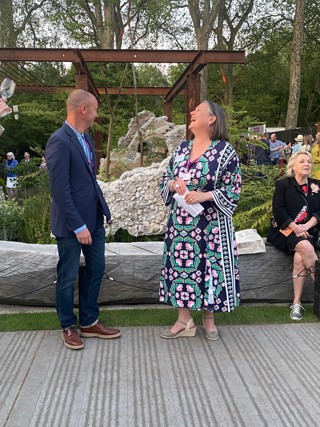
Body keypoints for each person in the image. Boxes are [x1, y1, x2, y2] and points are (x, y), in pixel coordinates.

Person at [159, 100, 241, 340]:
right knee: (182, 268)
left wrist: (206, 195)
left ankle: (209, 317)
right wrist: (174, 184)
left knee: (209, 268)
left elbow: (233, 188)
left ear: (212, 119)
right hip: (182, 224)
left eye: (198, 110)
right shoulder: (182, 149)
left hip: (212, 223)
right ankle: (184, 321)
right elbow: (166, 178)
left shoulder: (225, 151)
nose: (192, 113)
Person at [45, 89, 121, 350]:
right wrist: (78, 226)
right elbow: (60, 190)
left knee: (96, 269)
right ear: (83, 110)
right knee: (67, 277)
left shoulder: (86, 139)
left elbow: (88, 180)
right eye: (95, 109)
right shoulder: (59, 141)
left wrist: (102, 212)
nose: (97, 114)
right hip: (70, 225)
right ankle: (68, 325)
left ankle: (89, 322)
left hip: (95, 219)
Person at [267, 151, 320, 320]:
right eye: (302, 161)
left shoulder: (317, 185)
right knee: (305, 246)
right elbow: (279, 210)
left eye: (309, 162)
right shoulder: (283, 185)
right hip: (285, 231)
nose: (307, 164)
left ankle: (296, 304)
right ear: (293, 166)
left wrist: (307, 225)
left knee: (299, 258)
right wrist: (296, 227)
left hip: (308, 231)